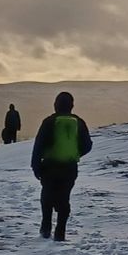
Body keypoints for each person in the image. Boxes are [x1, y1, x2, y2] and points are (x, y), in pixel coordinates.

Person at [30, 91, 92, 241]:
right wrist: (75, 154)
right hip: (69, 167)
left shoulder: (49, 121)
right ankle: (60, 233)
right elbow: (88, 145)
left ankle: (45, 229)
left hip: (50, 166)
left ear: (55, 105)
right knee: (64, 198)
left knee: (47, 197)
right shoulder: (79, 122)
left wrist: (36, 166)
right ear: (72, 105)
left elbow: (38, 145)